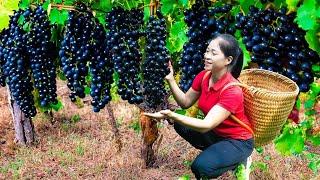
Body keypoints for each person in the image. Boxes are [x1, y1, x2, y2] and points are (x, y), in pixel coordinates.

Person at [144, 34, 254, 179]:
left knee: (201, 168)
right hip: (217, 134)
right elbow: (185, 102)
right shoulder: (204, 76)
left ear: (228, 60)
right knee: (180, 124)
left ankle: (238, 160)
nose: (207, 56)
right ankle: (218, 154)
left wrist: (170, 115)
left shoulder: (232, 91)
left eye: (213, 53)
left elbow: (206, 125)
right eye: (207, 51)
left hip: (238, 141)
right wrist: (170, 79)